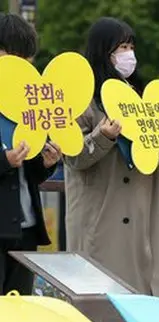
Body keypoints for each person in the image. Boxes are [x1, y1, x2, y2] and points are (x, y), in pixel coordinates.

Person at [63, 17, 159, 322]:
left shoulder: (141, 100)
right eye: (120, 49)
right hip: (102, 221)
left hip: (142, 222)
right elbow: (73, 156)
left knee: (143, 306)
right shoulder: (82, 102)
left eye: (131, 47)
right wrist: (103, 136)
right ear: (103, 53)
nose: (128, 56)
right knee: (103, 309)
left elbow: (150, 155)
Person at [0, 13, 63, 295]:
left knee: (23, 315)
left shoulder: (28, 104)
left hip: (25, 228)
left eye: (28, 59)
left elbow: (29, 175)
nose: (25, 67)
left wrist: (45, 164)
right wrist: (4, 161)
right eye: (16, 57)